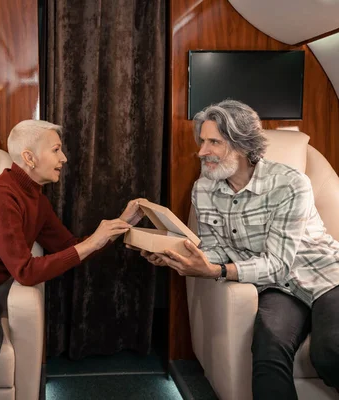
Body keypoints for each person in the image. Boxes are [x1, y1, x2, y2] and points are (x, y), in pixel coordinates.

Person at [0, 119, 145, 400]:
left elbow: (70, 248)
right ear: (29, 158)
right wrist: (93, 241)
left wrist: (120, 224)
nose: (64, 158)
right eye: (56, 150)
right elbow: (25, 271)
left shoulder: (38, 202)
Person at [137, 100, 339, 399]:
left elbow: (278, 264)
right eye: (202, 141)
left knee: (330, 351)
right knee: (269, 352)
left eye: (214, 142)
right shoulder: (204, 188)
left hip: (326, 277)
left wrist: (216, 271)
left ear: (243, 145)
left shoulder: (290, 183)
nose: (202, 151)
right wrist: (174, 255)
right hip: (276, 289)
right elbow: (216, 249)